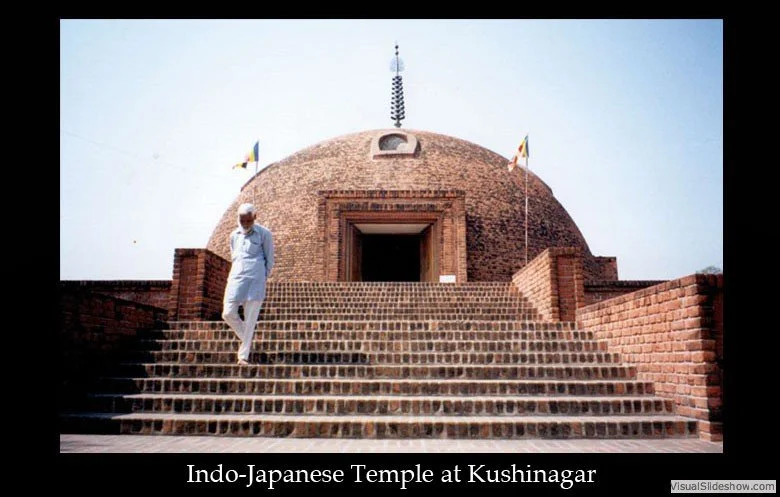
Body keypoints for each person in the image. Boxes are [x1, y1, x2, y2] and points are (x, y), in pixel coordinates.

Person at [222, 203, 275, 365]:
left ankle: (243, 356)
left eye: (248, 220)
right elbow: (235, 256)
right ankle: (248, 338)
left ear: (254, 218)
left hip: (255, 278)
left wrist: (263, 276)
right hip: (237, 276)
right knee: (228, 312)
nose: (245, 223)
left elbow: (269, 258)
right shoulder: (234, 235)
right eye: (242, 220)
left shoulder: (264, 234)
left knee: (250, 318)